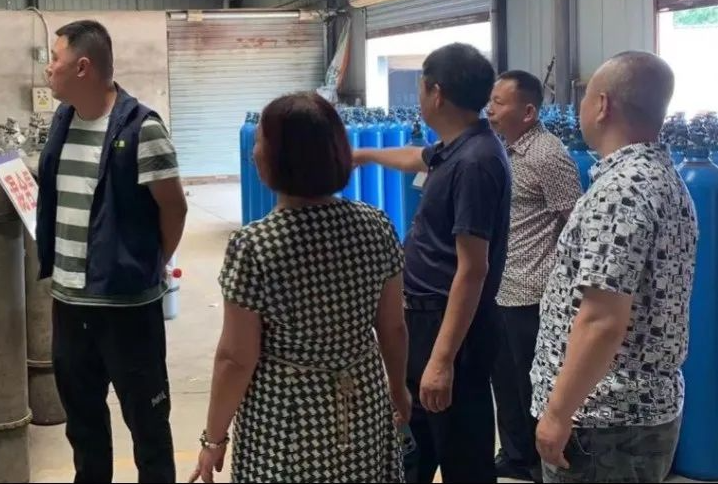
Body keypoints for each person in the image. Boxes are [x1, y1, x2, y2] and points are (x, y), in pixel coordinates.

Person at [190, 92, 410, 484]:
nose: (254, 150)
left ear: (277, 158)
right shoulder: (376, 225)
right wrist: (398, 390)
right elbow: (393, 327)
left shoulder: (255, 246)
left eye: (260, 141)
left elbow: (236, 358)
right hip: (363, 401)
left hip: (285, 416)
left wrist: (214, 438)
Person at [531, 52, 697, 484]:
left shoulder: (622, 192)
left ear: (602, 105)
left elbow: (602, 320)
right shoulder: (664, 178)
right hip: (633, 417)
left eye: (586, 97)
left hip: (602, 423)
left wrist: (557, 413)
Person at [36, 19, 188, 484]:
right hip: (69, 303)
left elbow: (174, 207)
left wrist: (148, 264)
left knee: (148, 427)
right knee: (84, 429)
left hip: (127, 308)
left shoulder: (143, 129)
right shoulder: (62, 121)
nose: (48, 68)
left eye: (55, 59)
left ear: (82, 67)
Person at [354, 43, 510, 483]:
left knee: (463, 455)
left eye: (422, 87)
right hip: (425, 320)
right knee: (415, 445)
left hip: (450, 326)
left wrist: (442, 360)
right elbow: (416, 157)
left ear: (436, 93)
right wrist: (362, 156)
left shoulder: (476, 162)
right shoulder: (456, 147)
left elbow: (473, 269)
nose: (420, 96)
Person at [486, 70, 582, 482]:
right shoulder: (500, 149)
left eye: (499, 102)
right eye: (490, 100)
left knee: (533, 385)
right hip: (499, 287)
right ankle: (515, 455)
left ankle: (541, 464)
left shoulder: (548, 155)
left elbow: (575, 222)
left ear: (527, 112)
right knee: (504, 382)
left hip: (532, 292)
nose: (490, 110)